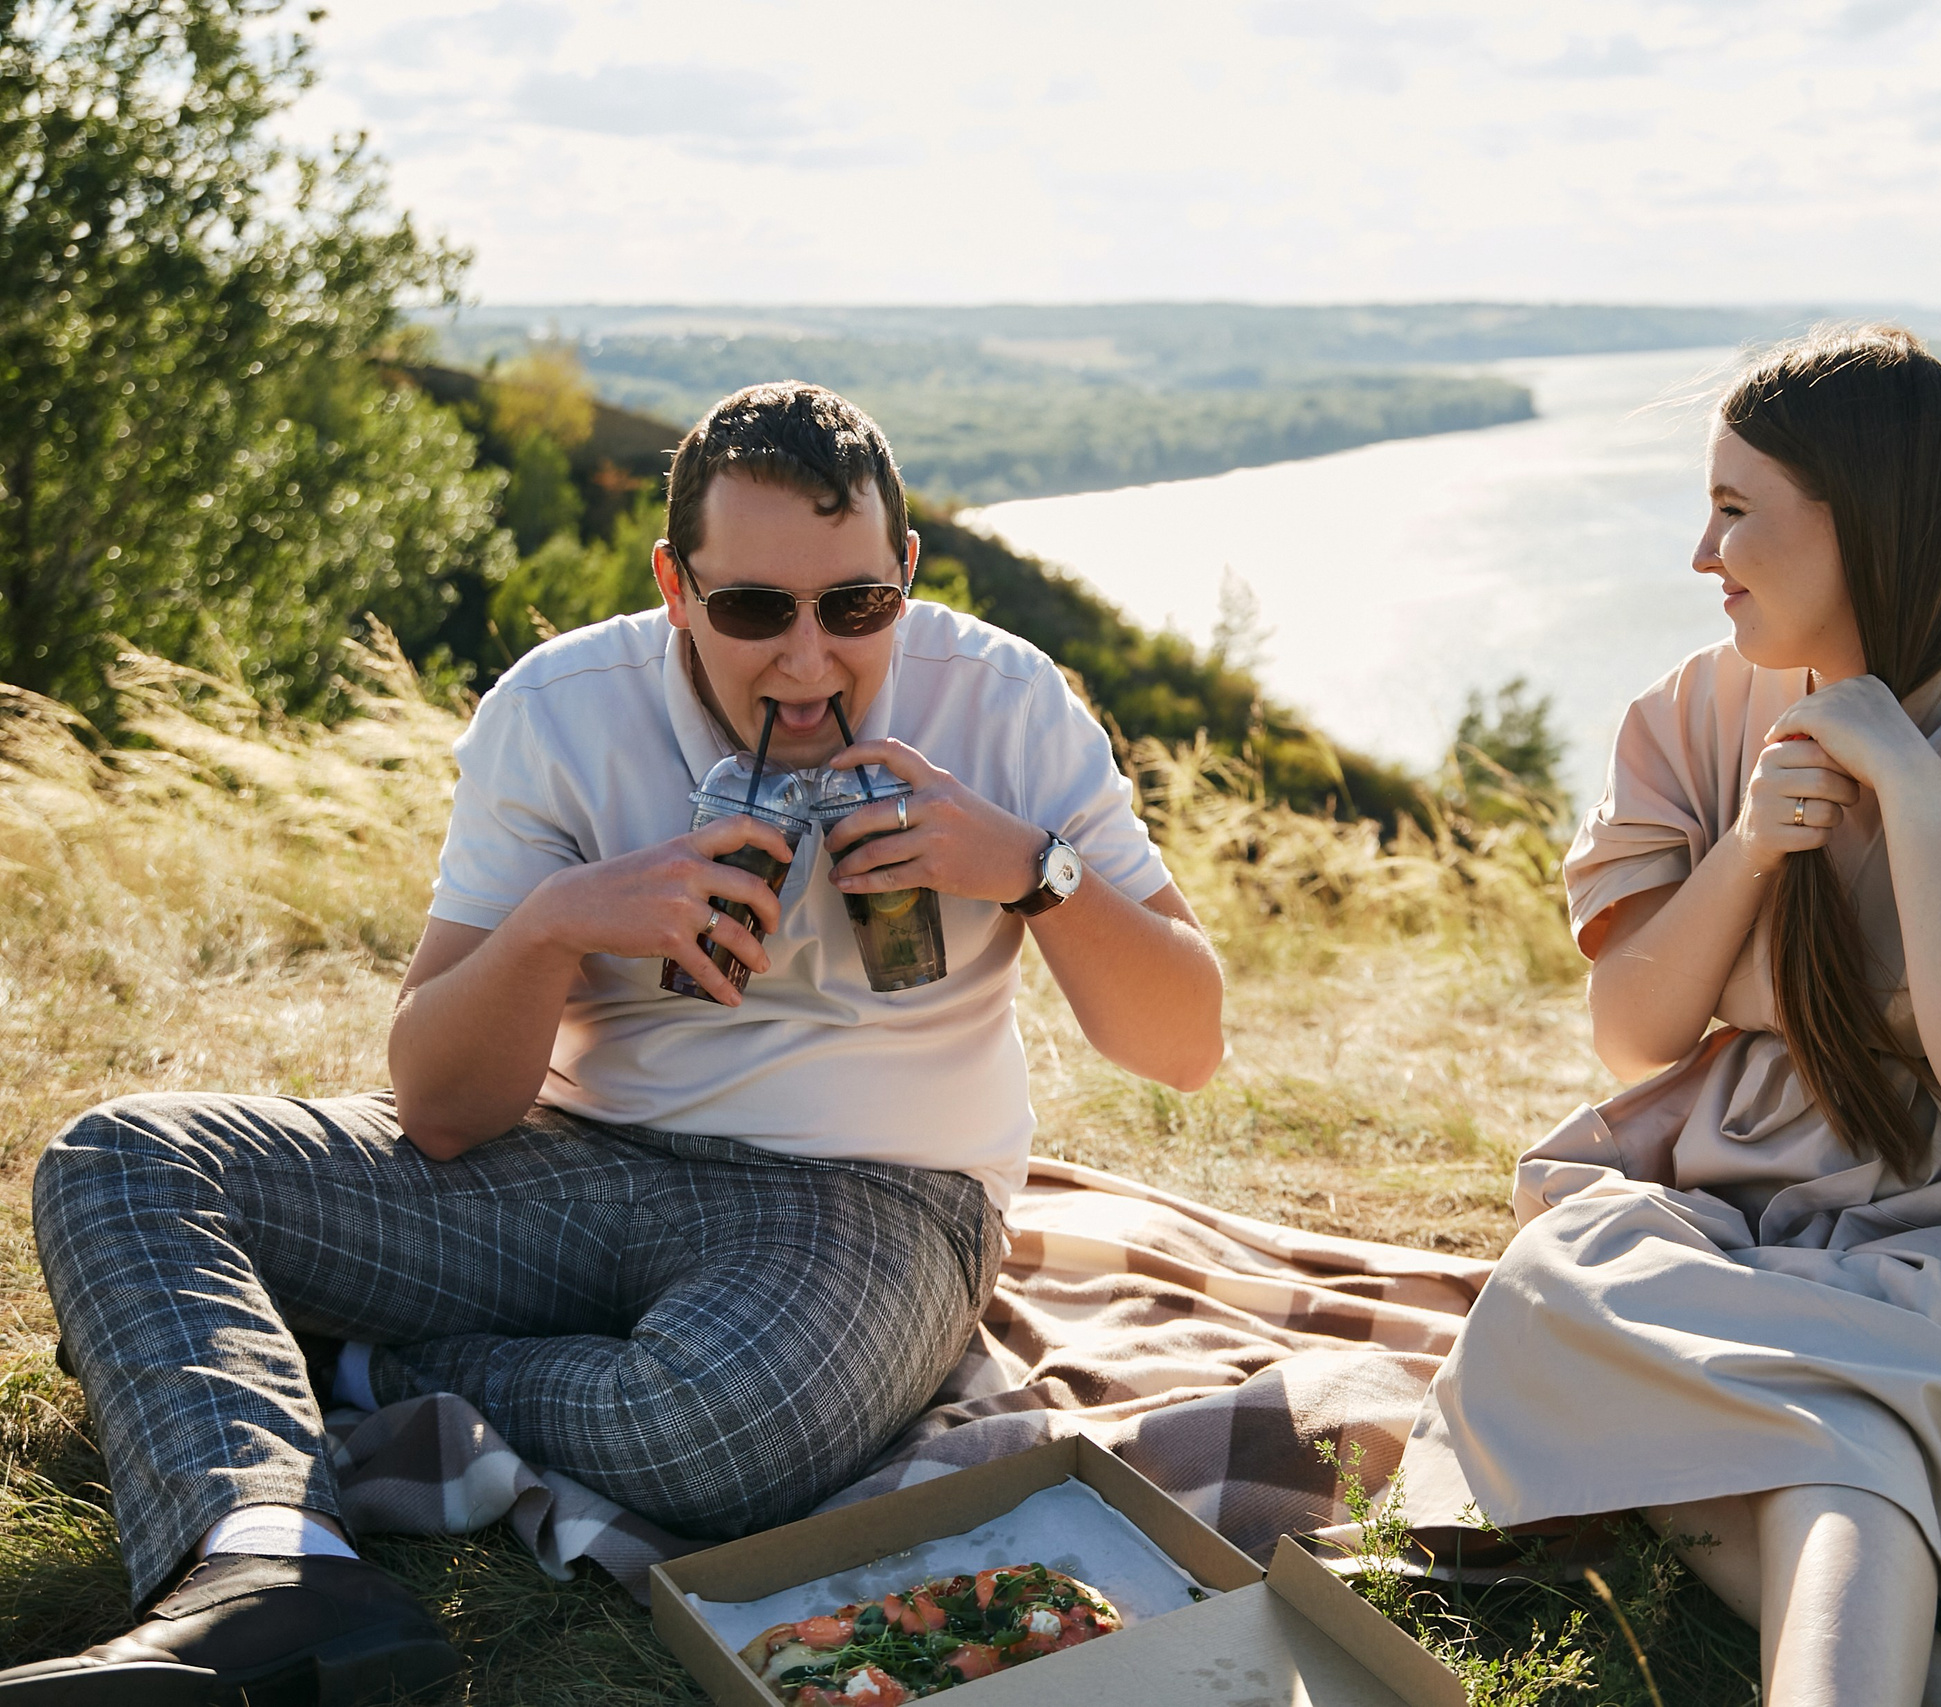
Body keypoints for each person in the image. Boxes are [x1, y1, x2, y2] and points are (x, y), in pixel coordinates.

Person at [3, 382, 1224, 1704]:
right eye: (753, 608)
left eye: (855, 608)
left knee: (715, 1430)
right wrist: (553, 927)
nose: (808, 662)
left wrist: (1029, 868)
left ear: (905, 577)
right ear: (674, 583)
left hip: (875, 1200)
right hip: (573, 1160)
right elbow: (443, 1108)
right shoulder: (561, 709)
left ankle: (330, 1360)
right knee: (124, 1159)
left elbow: (1185, 1044)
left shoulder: (1006, 702)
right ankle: (269, 1573)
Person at [1393, 328, 1941, 1707]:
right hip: (1760, 1204)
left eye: (1737, 511)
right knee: (1566, 1273)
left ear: (1862, 524)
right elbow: (1633, 1036)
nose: (1702, 553)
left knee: (1805, 1423)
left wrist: (1913, 792)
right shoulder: (1689, 714)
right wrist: (1747, 847)